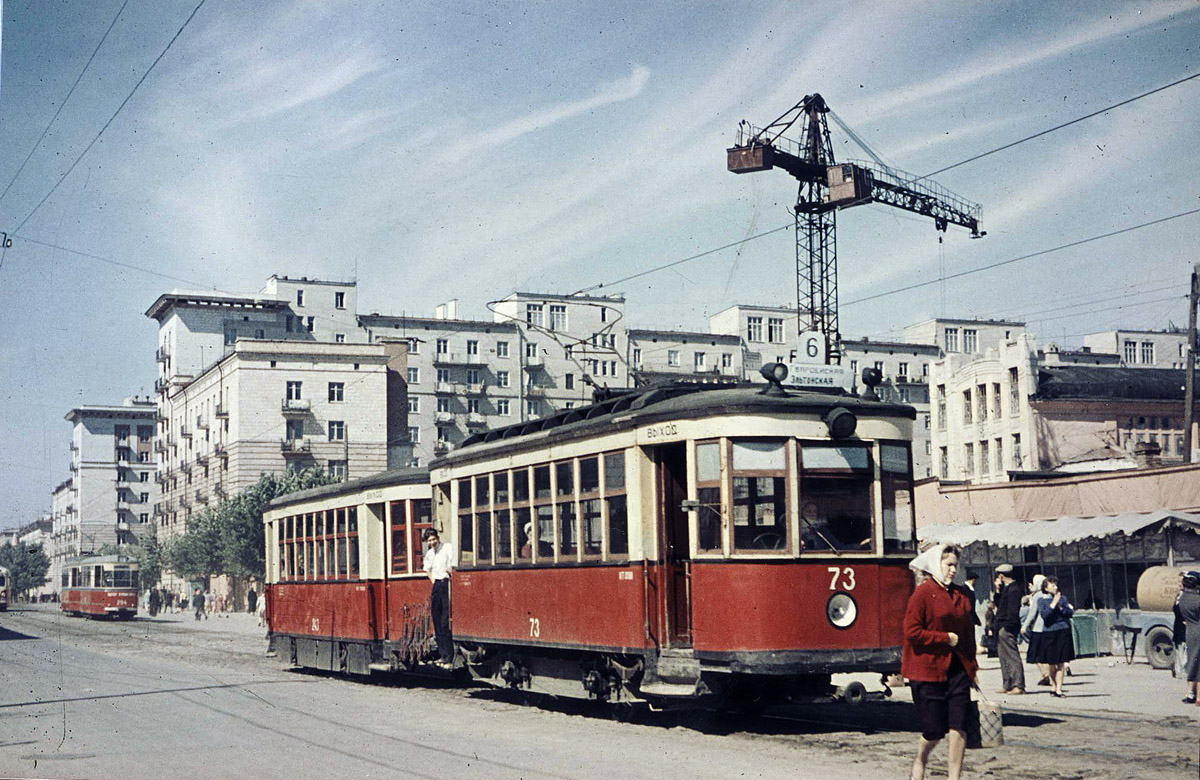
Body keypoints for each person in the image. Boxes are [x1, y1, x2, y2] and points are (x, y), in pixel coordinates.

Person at [903, 544, 977, 780]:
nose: (953, 570)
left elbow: (967, 634)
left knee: (959, 726)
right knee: (934, 731)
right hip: (927, 670)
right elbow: (911, 631)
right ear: (937, 565)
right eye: (949, 565)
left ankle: (953, 777)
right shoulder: (923, 593)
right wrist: (944, 638)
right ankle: (921, 759)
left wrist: (972, 667)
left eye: (956, 565)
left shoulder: (963, 594)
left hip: (957, 670)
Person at [422, 527, 456, 668]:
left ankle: (449, 655)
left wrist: (450, 571)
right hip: (437, 585)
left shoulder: (447, 547)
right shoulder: (430, 554)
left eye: (434, 539)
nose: (432, 542)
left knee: (444, 620)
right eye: (430, 541)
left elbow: (453, 562)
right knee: (436, 618)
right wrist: (433, 581)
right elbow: (427, 570)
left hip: (447, 582)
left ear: (438, 538)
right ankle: (443, 655)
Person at [1035, 576, 1075, 698]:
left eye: (1056, 585)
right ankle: (1053, 685)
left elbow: (1069, 613)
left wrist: (1060, 607)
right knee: (1051, 662)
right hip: (1049, 632)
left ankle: (1059, 689)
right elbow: (1045, 615)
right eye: (1052, 585)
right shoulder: (1041, 600)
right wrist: (1053, 604)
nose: (1055, 587)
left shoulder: (1063, 599)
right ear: (1046, 588)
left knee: (1061, 662)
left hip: (1063, 630)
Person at [993, 564, 1025, 695]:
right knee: (1003, 656)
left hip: (1007, 627)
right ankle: (1007, 683)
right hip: (1002, 626)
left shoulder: (1014, 589)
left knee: (1012, 656)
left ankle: (1018, 685)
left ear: (1001, 576)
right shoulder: (1007, 589)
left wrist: (1007, 627)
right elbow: (999, 604)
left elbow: (1012, 610)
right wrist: (998, 590)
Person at [1175, 571, 1200, 705]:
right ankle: (1196, 696)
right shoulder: (1196, 599)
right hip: (1195, 631)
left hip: (1189, 631)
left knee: (1192, 661)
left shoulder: (1182, 599)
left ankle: (1191, 693)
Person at [1022, 574, 1051, 686]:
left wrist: (1025, 625)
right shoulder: (1048, 594)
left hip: (1038, 629)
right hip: (1048, 628)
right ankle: (1048, 675)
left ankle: (1045, 675)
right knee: (1047, 654)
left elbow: (1032, 612)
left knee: (1035, 654)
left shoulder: (1037, 596)